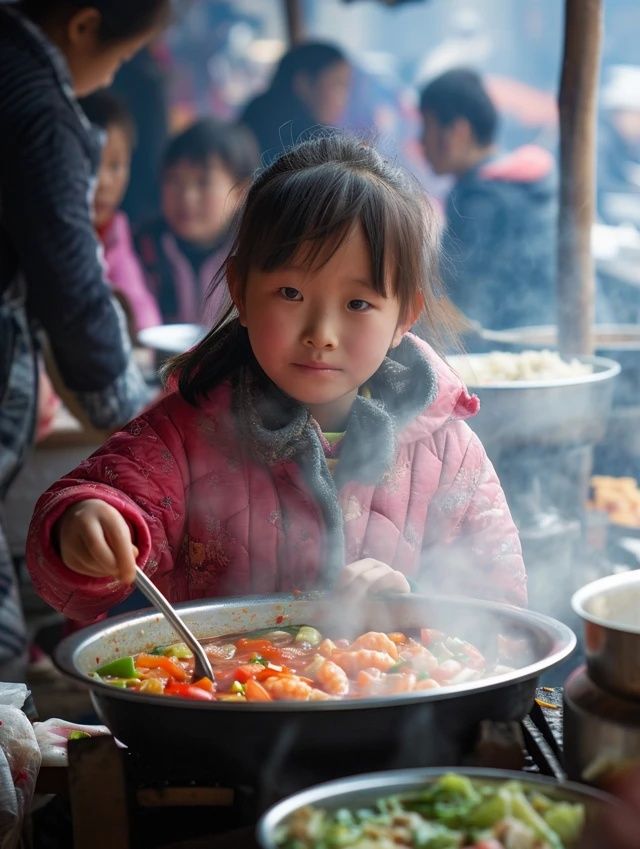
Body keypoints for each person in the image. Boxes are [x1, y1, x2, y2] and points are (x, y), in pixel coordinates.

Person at [26, 134, 526, 627]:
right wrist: (81, 524)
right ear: (241, 290)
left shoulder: (449, 452)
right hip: (219, 701)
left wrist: (413, 605)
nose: (321, 335)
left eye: (357, 304)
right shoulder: (185, 431)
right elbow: (92, 511)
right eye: (290, 292)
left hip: (400, 707)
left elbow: (501, 614)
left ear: (405, 317)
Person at [0, 0, 170, 680]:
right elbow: (72, 293)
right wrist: (142, 425)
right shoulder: (36, 107)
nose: (111, 77)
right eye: (121, 57)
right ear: (82, 24)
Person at [419, 68, 557, 331]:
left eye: (427, 127)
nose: (421, 141)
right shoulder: (523, 181)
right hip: (551, 331)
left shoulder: (481, 200)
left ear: (457, 132)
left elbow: (461, 303)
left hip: (513, 342)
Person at [135, 117, 258, 325]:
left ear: (240, 193)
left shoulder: (253, 252)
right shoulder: (142, 246)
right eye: (174, 181)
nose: (187, 197)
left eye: (203, 183)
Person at [79, 90, 162, 336]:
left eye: (115, 166)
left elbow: (139, 306)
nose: (103, 182)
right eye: (89, 166)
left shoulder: (116, 229)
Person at [240, 41, 351, 164]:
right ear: (303, 84)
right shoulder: (305, 140)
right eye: (337, 85)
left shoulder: (258, 108)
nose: (344, 99)